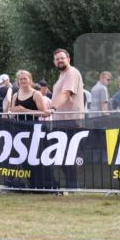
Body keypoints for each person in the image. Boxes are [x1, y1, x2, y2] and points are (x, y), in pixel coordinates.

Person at [50, 48, 84, 192]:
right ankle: (71, 183)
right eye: (57, 59)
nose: (60, 61)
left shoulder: (71, 73)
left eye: (62, 58)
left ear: (68, 59)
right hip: (61, 121)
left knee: (70, 154)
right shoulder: (62, 75)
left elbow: (66, 93)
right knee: (60, 154)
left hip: (71, 120)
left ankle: (73, 185)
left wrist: (52, 108)